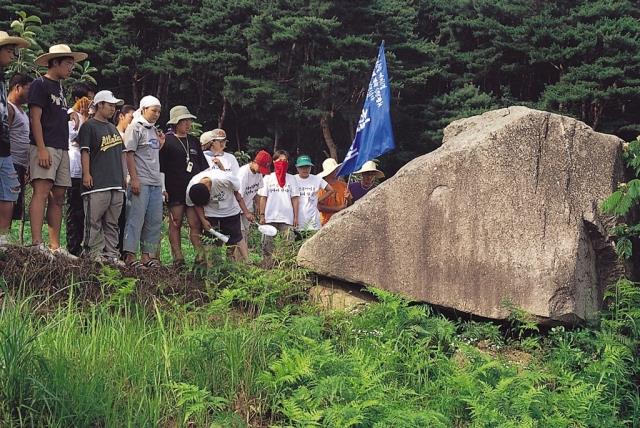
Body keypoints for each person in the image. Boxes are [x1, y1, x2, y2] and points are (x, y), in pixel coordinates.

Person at [28, 44, 88, 258]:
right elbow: (35, 118)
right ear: (55, 62)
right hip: (45, 146)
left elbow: (53, 115)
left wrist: (68, 115)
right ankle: (37, 242)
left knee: (59, 195)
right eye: (68, 64)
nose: (71, 68)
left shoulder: (60, 89)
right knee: (42, 191)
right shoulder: (40, 84)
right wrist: (41, 148)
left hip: (62, 148)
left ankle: (55, 245)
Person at [78, 90, 126, 265]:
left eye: (114, 105)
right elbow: (85, 151)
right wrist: (86, 174)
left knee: (112, 222)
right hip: (97, 183)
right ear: (100, 105)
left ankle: (112, 254)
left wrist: (123, 177)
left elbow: (121, 154)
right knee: (94, 220)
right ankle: (93, 252)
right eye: (110, 105)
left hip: (115, 183)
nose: (113, 109)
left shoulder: (113, 128)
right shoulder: (89, 126)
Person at [159, 105, 208, 267]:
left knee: (195, 223)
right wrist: (163, 188)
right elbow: (161, 167)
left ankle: (200, 257)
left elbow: (203, 167)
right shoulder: (167, 141)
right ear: (176, 123)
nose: (188, 124)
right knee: (175, 222)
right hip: (174, 189)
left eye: (189, 121)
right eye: (184, 121)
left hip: (193, 191)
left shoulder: (193, 141)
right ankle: (177, 258)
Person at [122, 95, 165, 268]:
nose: (156, 114)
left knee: (153, 220)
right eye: (154, 111)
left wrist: (161, 144)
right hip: (141, 180)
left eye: (159, 111)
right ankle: (130, 256)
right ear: (144, 109)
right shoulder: (135, 127)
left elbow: (150, 154)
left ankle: (147, 256)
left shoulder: (153, 130)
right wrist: (134, 178)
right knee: (135, 218)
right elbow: (129, 153)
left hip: (155, 181)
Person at [186, 167, 253, 262]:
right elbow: (197, 205)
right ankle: (212, 268)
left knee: (236, 237)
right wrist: (203, 220)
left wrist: (246, 212)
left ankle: (247, 262)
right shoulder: (192, 187)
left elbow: (237, 195)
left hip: (230, 210)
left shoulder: (225, 179)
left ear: (209, 190)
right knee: (211, 241)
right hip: (211, 213)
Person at [0, 31, 29, 248]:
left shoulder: (2, 78)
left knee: (10, 192)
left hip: (7, 152)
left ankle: (4, 239)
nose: (13, 54)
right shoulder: (12, 108)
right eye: (9, 50)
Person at [66, 82, 95, 256]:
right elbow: (78, 139)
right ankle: (73, 247)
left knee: (85, 211)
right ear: (78, 99)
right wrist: (83, 117)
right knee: (74, 209)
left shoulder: (87, 117)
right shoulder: (72, 116)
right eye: (88, 98)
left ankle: (82, 247)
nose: (91, 102)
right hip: (74, 168)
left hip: (87, 169)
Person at [257, 150, 299, 264]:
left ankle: (286, 266)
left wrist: (295, 217)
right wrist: (262, 215)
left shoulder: (291, 178)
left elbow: (295, 198)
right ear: (274, 162)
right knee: (267, 245)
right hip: (269, 217)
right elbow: (263, 197)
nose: (282, 163)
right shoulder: (268, 178)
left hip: (287, 218)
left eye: (285, 160)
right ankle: (267, 266)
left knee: (288, 244)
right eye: (279, 160)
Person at [7, 73, 33, 234]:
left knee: (13, 205)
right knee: (6, 202)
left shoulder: (22, 112)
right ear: (18, 87)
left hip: (20, 165)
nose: (31, 94)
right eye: (29, 89)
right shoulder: (9, 109)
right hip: (10, 164)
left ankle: (5, 239)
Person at [235, 149, 271, 259]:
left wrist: (258, 211)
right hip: (236, 208)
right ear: (255, 162)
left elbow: (257, 194)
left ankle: (240, 262)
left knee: (245, 235)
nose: (261, 171)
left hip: (248, 208)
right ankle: (240, 263)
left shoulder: (258, 174)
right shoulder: (243, 173)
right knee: (239, 236)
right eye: (261, 168)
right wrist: (246, 213)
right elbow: (238, 196)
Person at [113, 104, 135, 256]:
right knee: (114, 219)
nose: (132, 121)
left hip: (129, 183)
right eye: (130, 118)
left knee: (126, 219)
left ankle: (123, 252)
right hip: (115, 182)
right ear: (121, 116)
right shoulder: (113, 134)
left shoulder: (133, 135)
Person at [294, 155, 334, 233]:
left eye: (307, 167)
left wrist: (319, 199)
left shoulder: (317, 179)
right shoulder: (292, 179)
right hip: (297, 221)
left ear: (311, 167)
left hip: (313, 221)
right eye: (302, 167)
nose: (305, 169)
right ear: (297, 168)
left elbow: (331, 190)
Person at [317, 158, 351, 225]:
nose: (336, 171)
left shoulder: (344, 185)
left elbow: (350, 205)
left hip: (343, 222)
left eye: (336, 169)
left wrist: (349, 199)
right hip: (326, 223)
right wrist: (338, 208)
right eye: (334, 169)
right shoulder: (320, 187)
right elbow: (319, 207)